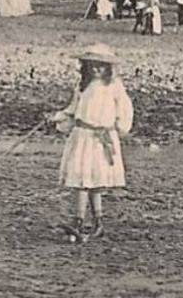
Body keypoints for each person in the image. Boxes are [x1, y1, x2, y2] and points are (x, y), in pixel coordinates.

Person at [53, 44, 134, 241]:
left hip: (99, 137)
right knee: (81, 178)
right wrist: (59, 117)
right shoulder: (82, 86)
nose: (96, 69)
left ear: (108, 68)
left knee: (92, 181)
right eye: (92, 65)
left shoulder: (113, 86)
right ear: (85, 66)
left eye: (101, 66)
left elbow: (125, 108)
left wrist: (121, 127)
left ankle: (90, 221)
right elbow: (73, 109)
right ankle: (84, 220)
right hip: (82, 135)